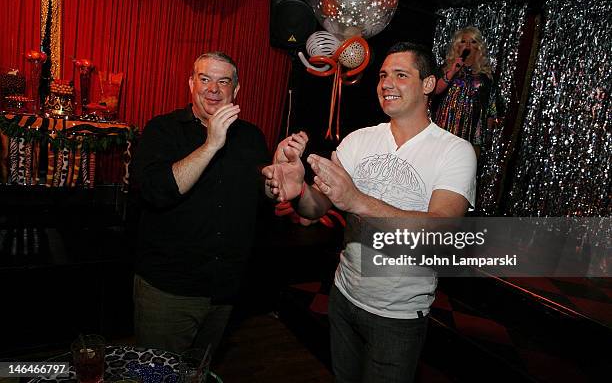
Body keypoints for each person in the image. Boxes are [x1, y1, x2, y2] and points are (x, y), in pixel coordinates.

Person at [263, 42, 476, 383]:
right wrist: (299, 189)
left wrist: (357, 200)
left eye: (401, 75)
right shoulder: (358, 140)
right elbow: (315, 208)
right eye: (382, 75)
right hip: (344, 298)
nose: (386, 83)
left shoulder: (454, 151)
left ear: (428, 84)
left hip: (399, 315)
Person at [132, 51, 307, 354]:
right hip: (169, 290)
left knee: (199, 371)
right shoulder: (162, 129)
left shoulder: (251, 137)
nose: (213, 89)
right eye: (205, 79)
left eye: (223, 81)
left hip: (224, 291)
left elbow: (258, 201)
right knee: (153, 374)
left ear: (235, 90)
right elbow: (156, 192)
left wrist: (274, 178)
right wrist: (211, 143)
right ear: (191, 83)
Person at [433, 26, 496, 151]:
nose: (467, 45)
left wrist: (488, 134)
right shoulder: (447, 69)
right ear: (457, 46)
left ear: (478, 47)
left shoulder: (485, 76)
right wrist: (452, 71)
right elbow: (434, 91)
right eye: (463, 41)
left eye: (472, 42)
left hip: (471, 133)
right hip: (445, 127)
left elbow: (491, 108)